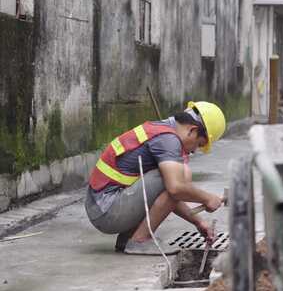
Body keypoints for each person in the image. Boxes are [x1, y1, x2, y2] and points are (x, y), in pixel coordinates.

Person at [85, 101, 226, 255]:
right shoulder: (168, 140)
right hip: (107, 211)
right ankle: (139, 240)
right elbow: (175, 189)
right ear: (192, 130)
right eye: (199, 144)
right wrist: (207, 198)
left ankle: (129, 237)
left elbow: (165, 197)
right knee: (182, 175)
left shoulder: (161, 130)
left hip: (102, 207)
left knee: (173, 177)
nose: (193, 151)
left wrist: (198, 222)